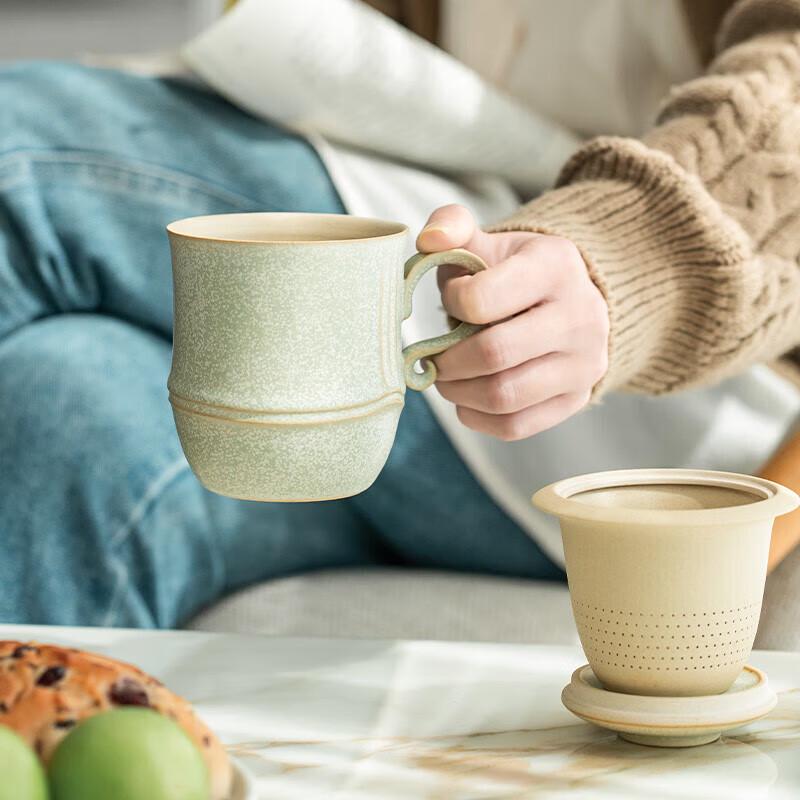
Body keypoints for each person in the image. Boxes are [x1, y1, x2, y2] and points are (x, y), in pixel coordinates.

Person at [2, 0, 800, 627]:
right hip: (406, 405)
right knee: (64, 410)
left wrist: (631, 256)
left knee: (20, 143)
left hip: (676, 402)